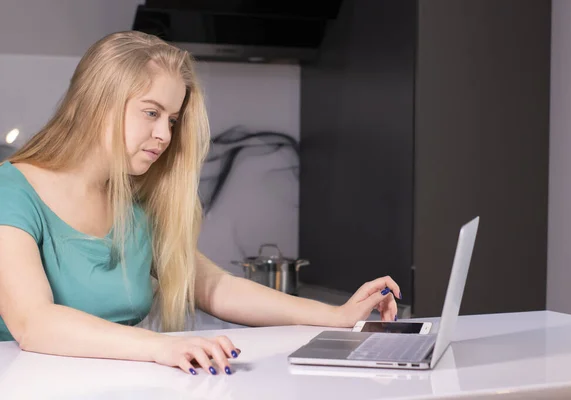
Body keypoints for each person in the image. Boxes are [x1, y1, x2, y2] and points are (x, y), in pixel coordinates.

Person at [0, 31, 401, 376]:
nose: (164, 135)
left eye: (172, 120)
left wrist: (335, 315)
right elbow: (35, 323)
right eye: (152, 113)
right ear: (97, 103)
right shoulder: (11, 189)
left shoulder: (135, 200)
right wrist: (160, 347)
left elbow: (214, 288)